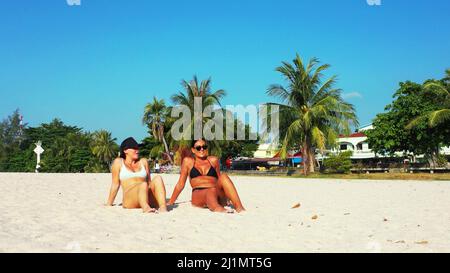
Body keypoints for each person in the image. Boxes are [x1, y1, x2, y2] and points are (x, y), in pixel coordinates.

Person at [167, 138, 245, 213]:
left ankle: (239, 207)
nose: (202, 149)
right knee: (210, 191)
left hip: (215, 192)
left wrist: (227, 197)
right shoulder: (188, 161)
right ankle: (217, 208)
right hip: (199, 194)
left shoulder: (213, 160)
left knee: (223, 176)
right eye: (198, 148)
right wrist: (171, 202)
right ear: (193, 150)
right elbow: (180, 184)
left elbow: (219, 180)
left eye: (204, 147)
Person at [106, 137, 168, 213]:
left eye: (137, 148)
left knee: (158, 178)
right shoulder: (119, 162)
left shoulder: (143, 162)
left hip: (145, 195)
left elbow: (149, 182)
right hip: (130, 199)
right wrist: (109, 203)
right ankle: (146, 208)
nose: (137, 151)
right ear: (125, 150)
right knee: (143, 184)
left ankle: (163, 207)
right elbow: (115, 184)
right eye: (134, 148)